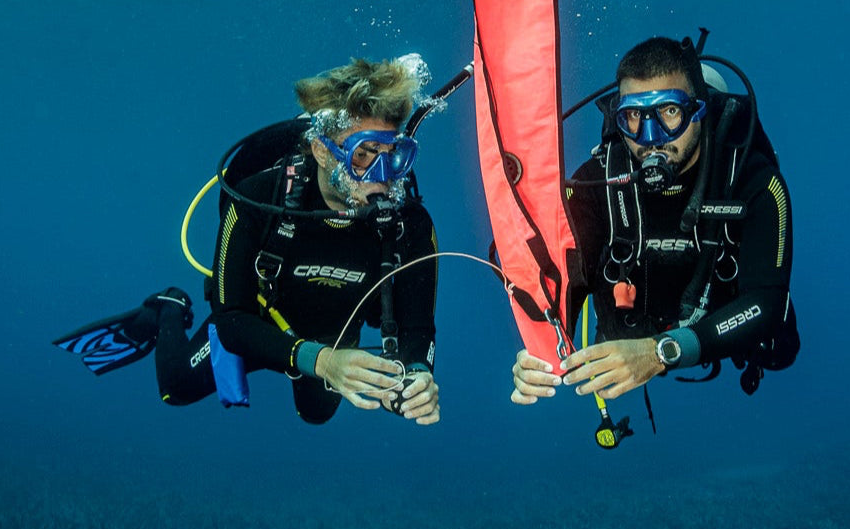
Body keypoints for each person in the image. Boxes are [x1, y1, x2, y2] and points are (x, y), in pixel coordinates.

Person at [52, 56, 441, 427]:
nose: (383, 177)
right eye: (364, 155)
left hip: (335, 333)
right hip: (257, 320)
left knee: (316, 413)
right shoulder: (257, 199)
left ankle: (316, 366)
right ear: (322, 149)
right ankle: (166, 308)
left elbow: (417, 328)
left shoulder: (410, 224)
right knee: (175, 388)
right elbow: (231, 319)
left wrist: (416, 378)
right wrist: (321, 362)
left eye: (394, 156)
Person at [511, 34, 799, 407]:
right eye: (634, 116)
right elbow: (557, 271)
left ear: (699, 110)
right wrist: (537, 346)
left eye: (669, 112)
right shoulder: (596, 184)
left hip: (721, 326)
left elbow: (768, 303)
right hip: (632, 331)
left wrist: (660, 353)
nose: (651, 139)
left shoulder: (754, 181)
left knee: (779, 351)